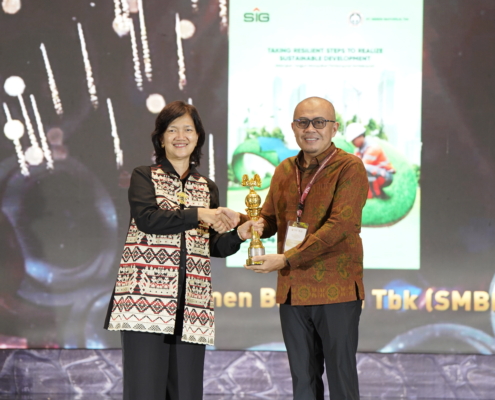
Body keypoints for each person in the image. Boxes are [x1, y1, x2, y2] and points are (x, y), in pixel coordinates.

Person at [104, 100, 259, 400]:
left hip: (192, 306)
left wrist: (240, 234)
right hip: (145, 303)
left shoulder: (207, 187)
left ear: (198, 137)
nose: (180, 136)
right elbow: (148, 220)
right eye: (172, 129)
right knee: (144, 392)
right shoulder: (144, 176)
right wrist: (199, 214)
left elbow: (211, 245)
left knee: (186, 392)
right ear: (161, 138)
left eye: (188, 129)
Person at [244, 97, 368, 400]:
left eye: (319, 122)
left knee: (341, 378)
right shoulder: (285, 169)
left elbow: (340, 226)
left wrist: (286, 259)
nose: (310, 129)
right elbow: (270, 219)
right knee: (303, 381)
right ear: (293, 127)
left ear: (334, 128)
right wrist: (247, 224)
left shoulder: (349, 167)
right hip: (293, 291)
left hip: (336, 290)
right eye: (303, 122)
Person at [345, 122, 395, 199]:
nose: (353, 142)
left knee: (364, 168)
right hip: (377, 173)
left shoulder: (373, 148)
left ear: (360, 136)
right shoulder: (359, 149)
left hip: (386, 176)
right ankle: (371, 193)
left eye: (353, 140)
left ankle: (376, 194)